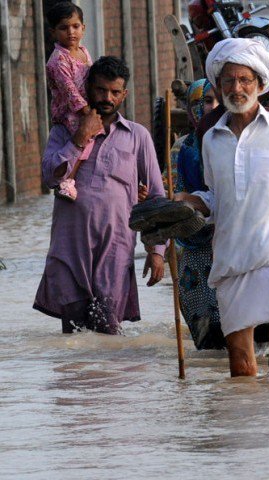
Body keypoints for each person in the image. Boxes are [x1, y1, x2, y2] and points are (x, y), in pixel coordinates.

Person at [175, 38, 269, 376]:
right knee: (241, 370)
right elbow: (217, 200)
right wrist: (187, 201)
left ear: (260, 83)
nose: (237, 87)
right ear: (219, 85)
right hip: (231, 263)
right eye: (228, 80)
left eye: (245, 80)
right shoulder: (212, 139)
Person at [34, 56, 166, 335]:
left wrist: (156, 251)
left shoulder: (137, 136)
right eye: (101, 90)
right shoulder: (63, 131)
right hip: (71, 249)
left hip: (114, 249)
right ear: (88, 88)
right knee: (75, 337)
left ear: (124, 95)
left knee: (107, 330)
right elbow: (48, 178)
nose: (107, 98)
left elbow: (155, 196)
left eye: (115, 92)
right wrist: (80, 137)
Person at [170, 79, 224, 350]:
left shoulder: (232, 142)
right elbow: (174, 194)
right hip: (193, 244)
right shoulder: (183, 149)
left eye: (215, 101)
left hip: (228, 242)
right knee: (203, 328)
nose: (210, 108)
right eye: (204, 101)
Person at [45, 1, 96, 200]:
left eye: (75, 26)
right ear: (53, 32)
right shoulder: (58, 60)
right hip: (69, 112)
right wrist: (87, 113)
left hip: (86, 106)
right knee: (85, 138)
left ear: (83, 28)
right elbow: (70, 92)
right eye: (63, 28)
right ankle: (67, 180)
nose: (71, 32)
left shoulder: (83, 52)